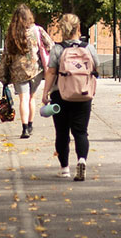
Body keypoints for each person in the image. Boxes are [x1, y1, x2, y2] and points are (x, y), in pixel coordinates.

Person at [40, 13, 98, 181]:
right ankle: (82, 160)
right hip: (83, 94)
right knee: (81, 132)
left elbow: (50, 72)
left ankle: (64, 168)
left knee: (62, 132)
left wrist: (45, 93)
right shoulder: (88, 48)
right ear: (78, 28)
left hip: (61, 96)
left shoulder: (58, 49)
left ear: (62, 29)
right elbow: (96, 68)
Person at [0, 4, 51, 139]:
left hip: (17, 72)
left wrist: (3, 75)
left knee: (23, 99)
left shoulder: (11, 34)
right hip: (35, 70)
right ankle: (30, 124)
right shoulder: (37, 31)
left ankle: (24, 129)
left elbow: (5, 55)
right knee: (32, 98)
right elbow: (50, 45)